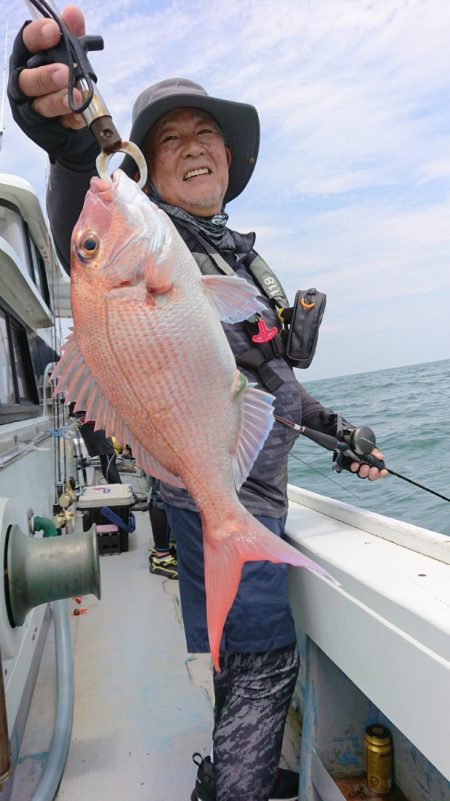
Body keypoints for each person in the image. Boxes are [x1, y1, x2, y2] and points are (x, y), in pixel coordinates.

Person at [8, 10, 388, 800]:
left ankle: (232, 768)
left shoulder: (226, 253)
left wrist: (342, 433)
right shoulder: (151, 235)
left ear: (229, 155)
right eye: (168, 137)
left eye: (204, 132)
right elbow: (84, 214)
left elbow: (272, 385)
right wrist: (72, 147)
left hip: (232, 486)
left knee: (234, 662)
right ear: (145, 163)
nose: (191, 144)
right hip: (222, 493)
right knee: (261, 666)